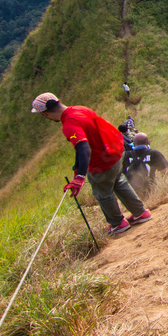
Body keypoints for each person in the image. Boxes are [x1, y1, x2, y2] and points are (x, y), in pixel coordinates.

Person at [31, 92, 151, 234]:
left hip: (102, 161)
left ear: (45, 114)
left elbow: (83, 147)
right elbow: (83, 143)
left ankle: (118, 223)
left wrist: (80, 176)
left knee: (103, 193)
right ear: (58, 101)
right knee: (118, 181)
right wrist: (78, 167)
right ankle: (140, 213)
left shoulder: (69, 125)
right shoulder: (79, 109)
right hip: (116, 150)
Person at [124, 132, 168, 197]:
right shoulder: (154, 153)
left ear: (133, 144)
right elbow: (165, 172)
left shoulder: (125, 155)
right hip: (150, 191)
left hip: (132, 194)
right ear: (147, 142)